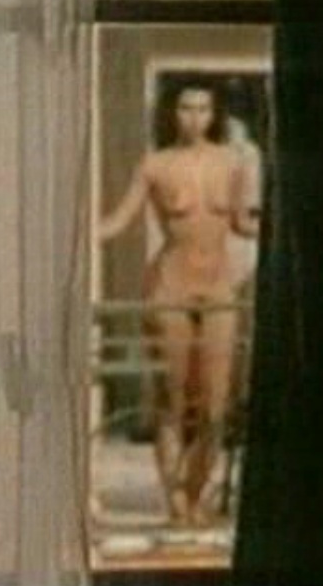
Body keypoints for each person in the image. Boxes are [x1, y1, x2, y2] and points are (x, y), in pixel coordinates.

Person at [100, 83, 261, 527]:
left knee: (216, 403)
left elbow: (243, 222)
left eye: (203, 108)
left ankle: (194, 493)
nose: (194, 117)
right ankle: (174, 500)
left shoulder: (232, 163)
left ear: (214, 114)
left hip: (218, 287)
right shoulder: (156, 164)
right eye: (186, 108)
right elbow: (119, 220)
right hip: (171, 284)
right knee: (173, 398)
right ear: (173, 113)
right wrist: (80, 235)